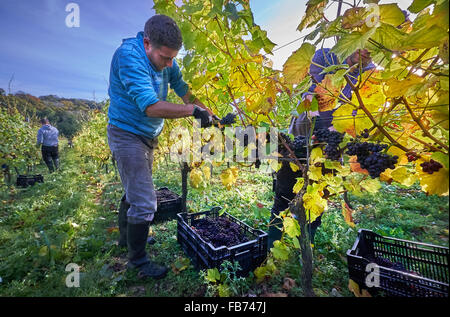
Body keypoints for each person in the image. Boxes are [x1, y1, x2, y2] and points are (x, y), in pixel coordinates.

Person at [107, 14, 216, 280]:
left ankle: (126, 239)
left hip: (147, 135)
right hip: (126, 133)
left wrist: (205, 109)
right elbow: (150, 106)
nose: (169, 63)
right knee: (145, 200)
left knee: (134, 188)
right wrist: (192, 111)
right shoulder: (129, 57)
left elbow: (182, 88)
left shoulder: (168, 61)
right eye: (165, 58)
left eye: (173, 58)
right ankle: (138, 262)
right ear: (147, 43)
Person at [268, 48, 375, 249]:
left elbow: (369, 68)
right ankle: (274, 247)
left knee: (314, 207)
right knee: (283, 202)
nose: (319, 79)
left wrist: (355, 59)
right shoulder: (310, 91)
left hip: (326, 157)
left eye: (323, 75)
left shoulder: (347, 86)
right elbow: (301, 126)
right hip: (295, 154)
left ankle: (303, 248)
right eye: (316, 75)